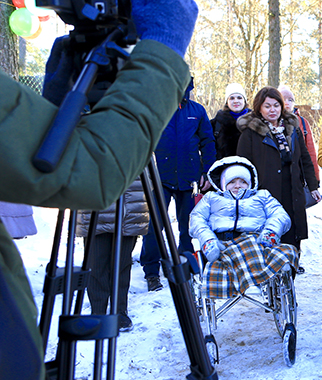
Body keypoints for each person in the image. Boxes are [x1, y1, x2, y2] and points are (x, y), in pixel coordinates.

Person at [0, 0, 198, 377]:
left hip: (132, 207)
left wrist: (52, 101)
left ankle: (117, 307)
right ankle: (102, 305)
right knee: (99, 262)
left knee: (121, 260)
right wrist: (166, 44)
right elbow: (87, 167)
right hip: (99, 211)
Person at [140, 80, 216, 292]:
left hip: (189, 178)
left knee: (188, 225)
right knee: (155, 226)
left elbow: (208, 143)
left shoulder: (197, 110)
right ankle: (151, 271)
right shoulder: (155, 110)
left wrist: (207, 172)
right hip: (159, 179)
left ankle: (186, 263)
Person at [236, 87, 321, 274]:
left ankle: (288, 287)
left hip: (292, 193)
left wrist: (313, 185)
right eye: (267, 106)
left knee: (292, 240)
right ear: (259, 108)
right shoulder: (250, 134)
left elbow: (305, 159)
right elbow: (243, 167)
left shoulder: (293, 129)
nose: (272, 110)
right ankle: (272, 288)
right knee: (270, 240)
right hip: (266, 195)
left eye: (276, 105)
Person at [189, 156, 298, 298]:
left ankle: (268, 271)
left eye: (243, 181)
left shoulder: (262, 196)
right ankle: (257, 278)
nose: (237, 186)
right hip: (222, 243)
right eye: (232, 182)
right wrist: (208, 240)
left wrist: (270, 231)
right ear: (222, 184)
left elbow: (280, 215)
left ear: (251, 183)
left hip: (257, 239)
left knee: (288, 249)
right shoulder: (211, 198)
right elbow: (196, 219)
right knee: (245, 248)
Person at [76, 179, 148, 332]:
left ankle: (120, 310)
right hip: (95, 203)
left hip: (128, 205)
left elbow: (147, 174)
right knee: (95, 263)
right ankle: (98, 311)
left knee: (121, 263)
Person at [278, 85, 320, 183]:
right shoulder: (271, 122)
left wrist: (315, 178)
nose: (287, 102)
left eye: (290, 100)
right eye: (283, 99)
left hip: (298, 175)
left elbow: (310, 152)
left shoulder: (302, 122)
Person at [210, 83, 251, 159]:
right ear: (227, 102)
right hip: (224, 168)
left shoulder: (255, 122)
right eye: (231, 98)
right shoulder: (215, 124)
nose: (236, 101)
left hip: (250, 168)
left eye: (239, 98)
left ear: (245, 101)